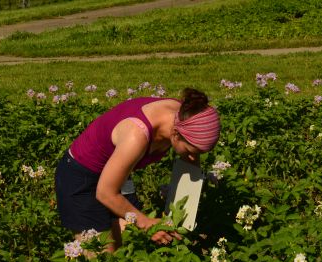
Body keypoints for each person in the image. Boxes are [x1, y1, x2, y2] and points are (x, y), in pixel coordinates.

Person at [54, 87, 220, 250]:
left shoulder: (187, 116)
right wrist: (147, 223)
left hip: (117, 176)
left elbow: (191, 157)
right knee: (104, 259)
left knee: (130, 242)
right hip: (80, 177)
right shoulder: (137, 135)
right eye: (191, 152)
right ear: (176, 134)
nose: (193, 159)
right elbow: (105, 193)